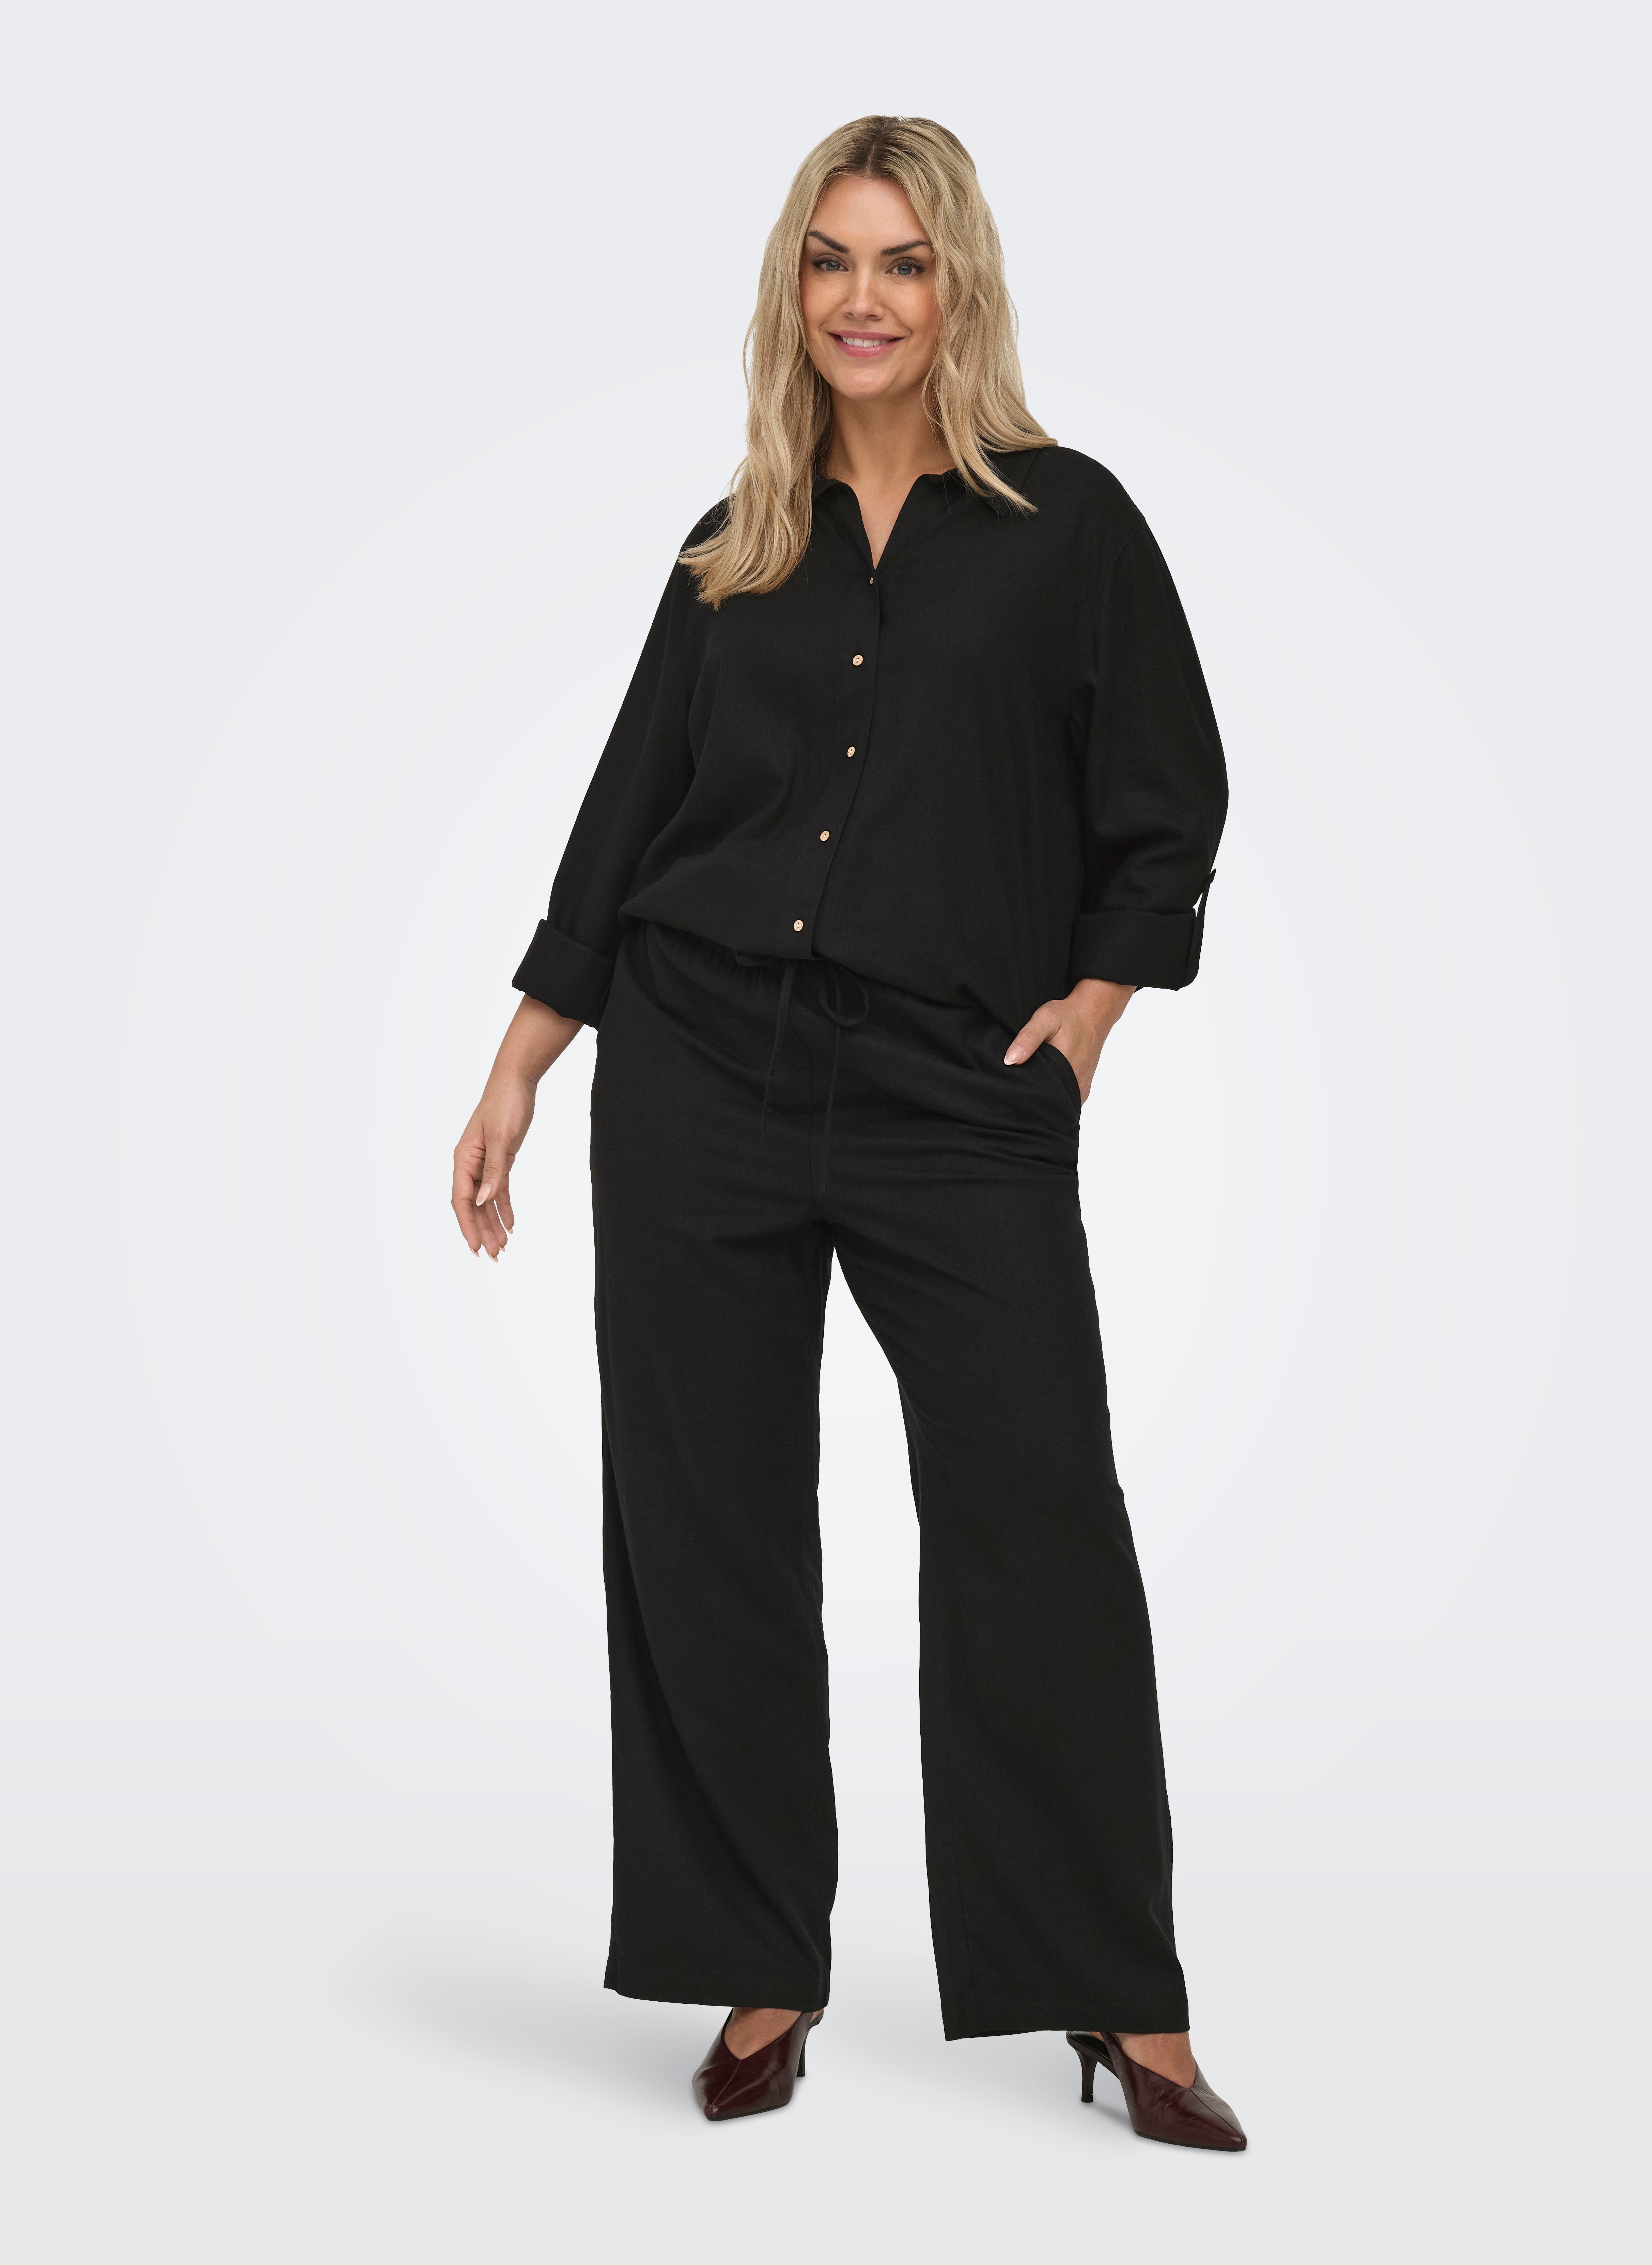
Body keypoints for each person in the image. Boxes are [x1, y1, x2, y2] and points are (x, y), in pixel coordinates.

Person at [451, 114, 1243, 2151]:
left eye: (900, 260)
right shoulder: (738, 543)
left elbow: (1168, 794)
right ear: (789, 291)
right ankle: (760, 1963)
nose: (863, 299)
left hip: (955, 1093)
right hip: (699, 1072)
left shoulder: (1068, 525)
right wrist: (526, 1060)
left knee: (1036, 1520)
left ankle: (1113, 1992)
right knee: (706, 1525)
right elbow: (630, 814)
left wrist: (1089, 1019)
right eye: (829, 260)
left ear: (957, 281)